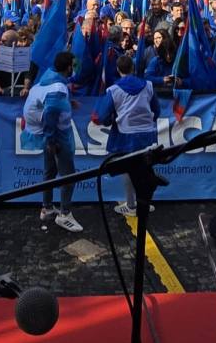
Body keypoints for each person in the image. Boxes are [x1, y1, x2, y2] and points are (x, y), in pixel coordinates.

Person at [92, 55, 159, 217]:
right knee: (145, 168)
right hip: (148, 134)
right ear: (133, 68)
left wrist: (111, 120)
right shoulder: (148, 85)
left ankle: (131, 205)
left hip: (126, 135)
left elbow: (101, 116)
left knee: (128, 170)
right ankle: (144, 202)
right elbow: (156, 110)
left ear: (117, 69)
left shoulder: (113, 90)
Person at [23, 51, 82, 232]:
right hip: (56, 134)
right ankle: (64, 214)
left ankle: (47, 207)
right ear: (68, 67)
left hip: (45, 133)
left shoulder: (46, 80)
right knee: (68, 175)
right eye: (73, 65)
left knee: (50, 172)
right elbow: (51, 114)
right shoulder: (58, 87)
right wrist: (52, 140)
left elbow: (50, 105)